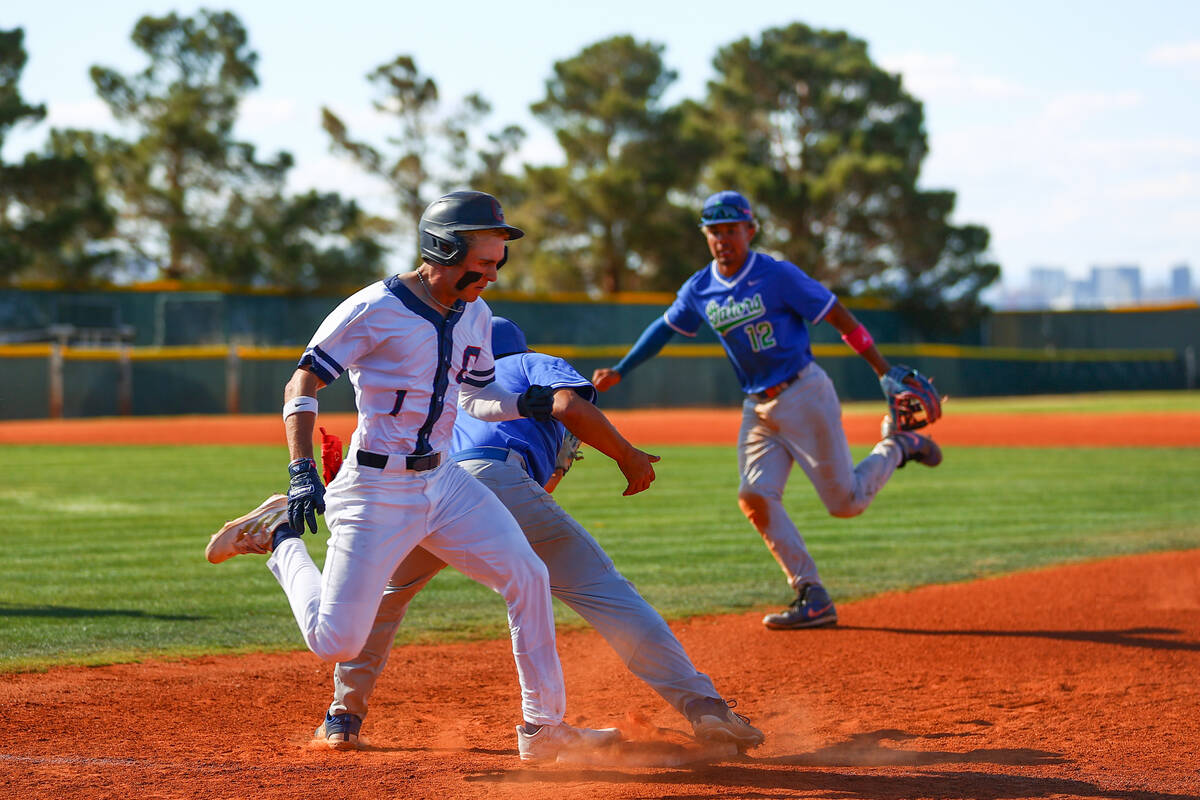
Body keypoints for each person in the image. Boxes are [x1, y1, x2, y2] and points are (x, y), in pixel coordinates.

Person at [206, 190, 620, 762]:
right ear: (443, 249)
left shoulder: (474, 315)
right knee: (335, 641)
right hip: (375, 489)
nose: (492, 276)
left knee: (527, 572)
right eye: (483, 262)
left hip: (443, 483)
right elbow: (301, 384)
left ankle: (543, 728)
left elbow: (479, 396)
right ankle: (280, 536)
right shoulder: (373, 308)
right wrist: (303, 471)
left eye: (499, 264)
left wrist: (532, 403)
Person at [302, 316, 765, 755]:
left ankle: (343, 718)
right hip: (492, 482)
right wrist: (627, 455)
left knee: (384, 599)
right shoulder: (527, 363)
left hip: (427, 492)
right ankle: (705, 709)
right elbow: (565, 406)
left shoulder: (451, 387)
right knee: (604, 592)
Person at [591, 190, 942, 631]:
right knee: (754, 495)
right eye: (714, 232)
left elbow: (837, 314)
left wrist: (882, 370)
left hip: (803, 393)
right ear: (706, 236)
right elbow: (663, 330)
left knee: (845, 503)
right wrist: (622, 370)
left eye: (731, 230)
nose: (723, 239)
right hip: (757, 407)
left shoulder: (776, 275)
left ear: (750, 230)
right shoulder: (700, 287)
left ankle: (897, 445)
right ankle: (811, 593)